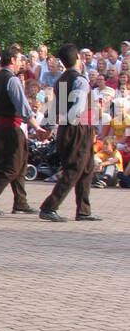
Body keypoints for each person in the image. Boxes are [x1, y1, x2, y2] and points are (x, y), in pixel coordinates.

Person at [0, 48, 43, 214]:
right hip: (10, 129)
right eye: (20, 59)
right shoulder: (12, 80)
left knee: (20, 165)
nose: (22, 62)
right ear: (12, 60)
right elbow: (23, 107)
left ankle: (20, 201)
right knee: (11, 168)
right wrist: (37, 127)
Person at [39, 45, 99, 222]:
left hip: (70, 127)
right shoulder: (80, 80)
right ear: (79, 57)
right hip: (78, 127)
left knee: (86, 168)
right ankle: (49, 207)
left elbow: (57, 105)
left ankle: (83, 210)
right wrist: (73, 121)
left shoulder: (62, 79)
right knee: (74, 169)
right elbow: (79, 106)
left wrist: (49, 126)